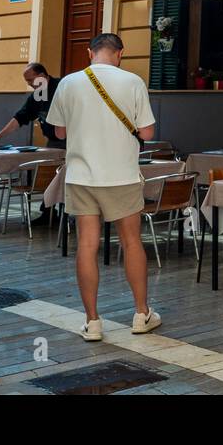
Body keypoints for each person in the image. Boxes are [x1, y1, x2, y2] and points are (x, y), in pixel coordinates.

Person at [46, 33, 161, 340]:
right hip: (121, 174)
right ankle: (141, 314)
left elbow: (58, 130)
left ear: (89, 52)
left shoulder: (68, 83)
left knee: (86, 245)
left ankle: (93, 321)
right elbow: (147, 133)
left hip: (81, 175)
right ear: (119, 54)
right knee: (131, 242)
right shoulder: (133, 81)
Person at [0, 62, 64, 149]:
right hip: (53, 142)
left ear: (42, 76)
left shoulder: (62, 86)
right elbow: (20, 117)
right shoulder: (37, 96)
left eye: (30, 80)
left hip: (71, 140)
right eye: (27, 81)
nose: (29, 84)